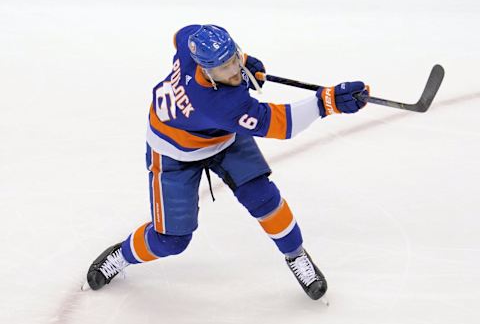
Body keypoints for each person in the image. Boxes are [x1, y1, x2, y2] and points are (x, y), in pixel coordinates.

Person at [83, 24, 369, 300]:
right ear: (205, 71)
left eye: (233, 59)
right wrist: (327, 102)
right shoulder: (221, 104)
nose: (233, 71)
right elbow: (282, 125)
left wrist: (244, 62)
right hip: (173, 151)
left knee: (264, 199)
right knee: (171, 241)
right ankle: (123, 254)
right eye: (224, 68)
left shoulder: (190, 45)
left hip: (219, 136)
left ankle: (295, 254)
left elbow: (180, 34)